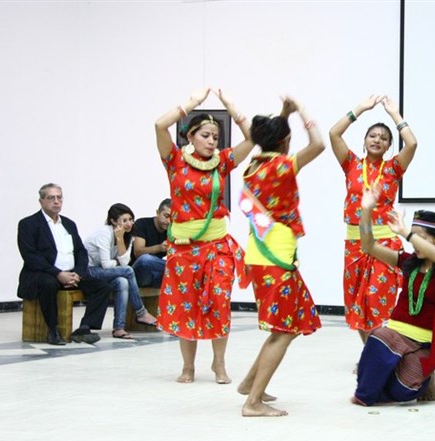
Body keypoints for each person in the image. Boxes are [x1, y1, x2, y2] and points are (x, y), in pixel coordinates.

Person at [352, 186, 435, 406]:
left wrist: (406, 233)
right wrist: (366, 209)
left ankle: (427, 373)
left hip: (425, 342)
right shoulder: (408, 262)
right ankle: (379, 383)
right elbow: (368, 246)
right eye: (413, 238)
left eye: (420, 238)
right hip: (395, 334)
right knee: (377, 339)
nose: (413, 243)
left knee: (403, 391)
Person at [155, 88, 254, 384]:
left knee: (219, 301)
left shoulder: (222, 162)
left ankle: (219, 365)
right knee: (188, 306)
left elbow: (251, 139)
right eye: (205, 135)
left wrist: (231, 107)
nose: (211, 141)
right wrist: (192, 104)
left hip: (217, 246)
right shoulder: (174, 160)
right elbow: (160, 125)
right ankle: (188, 367)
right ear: (190, 136)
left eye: (215, 137)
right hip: (184, 248)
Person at [235, 96, 324, 417]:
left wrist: (285, 115)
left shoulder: (251, 169)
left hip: (260, 257)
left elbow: (271, 142)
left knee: (285, 326)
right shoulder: (284, 166)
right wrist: (301, 110)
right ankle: (252, 403)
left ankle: (249, 383)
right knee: (283, 330)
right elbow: (318, 144)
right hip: (278, 260)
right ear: (285, 141)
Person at [329, 95, 418, 352]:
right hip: (355, 242)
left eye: (383, 137)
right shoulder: (351, 164)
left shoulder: (393, 168)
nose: (377, 139)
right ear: (365, 140)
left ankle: (381, 353)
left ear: (389, 145)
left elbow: (412, 143)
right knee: (358, 302)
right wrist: (360, 109)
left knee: (379, 298)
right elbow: (334, 133)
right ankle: (372, 354)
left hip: (384, 243)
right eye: (373, 135)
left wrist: (395, 115)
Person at [17, 183, 109, 345]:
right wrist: (58, 274)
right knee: (49, 283)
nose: (56, 201)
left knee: (102, 286)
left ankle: (85, 328)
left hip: (71, 274)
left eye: (59, 197)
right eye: (51, 198)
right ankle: (53, 330)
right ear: (41, 201)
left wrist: (78, 273)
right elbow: (31, 256)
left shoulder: (69, 224)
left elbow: (81, 251)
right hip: (43, 274)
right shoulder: (28, 224)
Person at [84, 203, 158, 339]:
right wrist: (117, 262)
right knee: (128, 271)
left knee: (122, 282)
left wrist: (120, 239)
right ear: (113, 221)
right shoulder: (104, 234)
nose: (129, 224)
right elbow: (107, 265)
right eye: (124, 221)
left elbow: (123, 262)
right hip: (89, 270)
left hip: (105, 271)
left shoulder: (128, 235)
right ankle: (141, 312)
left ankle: (119, 328)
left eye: (131, 219)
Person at [130, 198, 171, 288]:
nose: (169, 221)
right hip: (138, 274)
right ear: (157, 212)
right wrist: (159, 248)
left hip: (157, 275)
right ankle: (177, 269)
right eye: (166, 216)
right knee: (146, 259)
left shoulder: (172, 229)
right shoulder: (142, 223)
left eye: (172, 218)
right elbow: (138, 252)